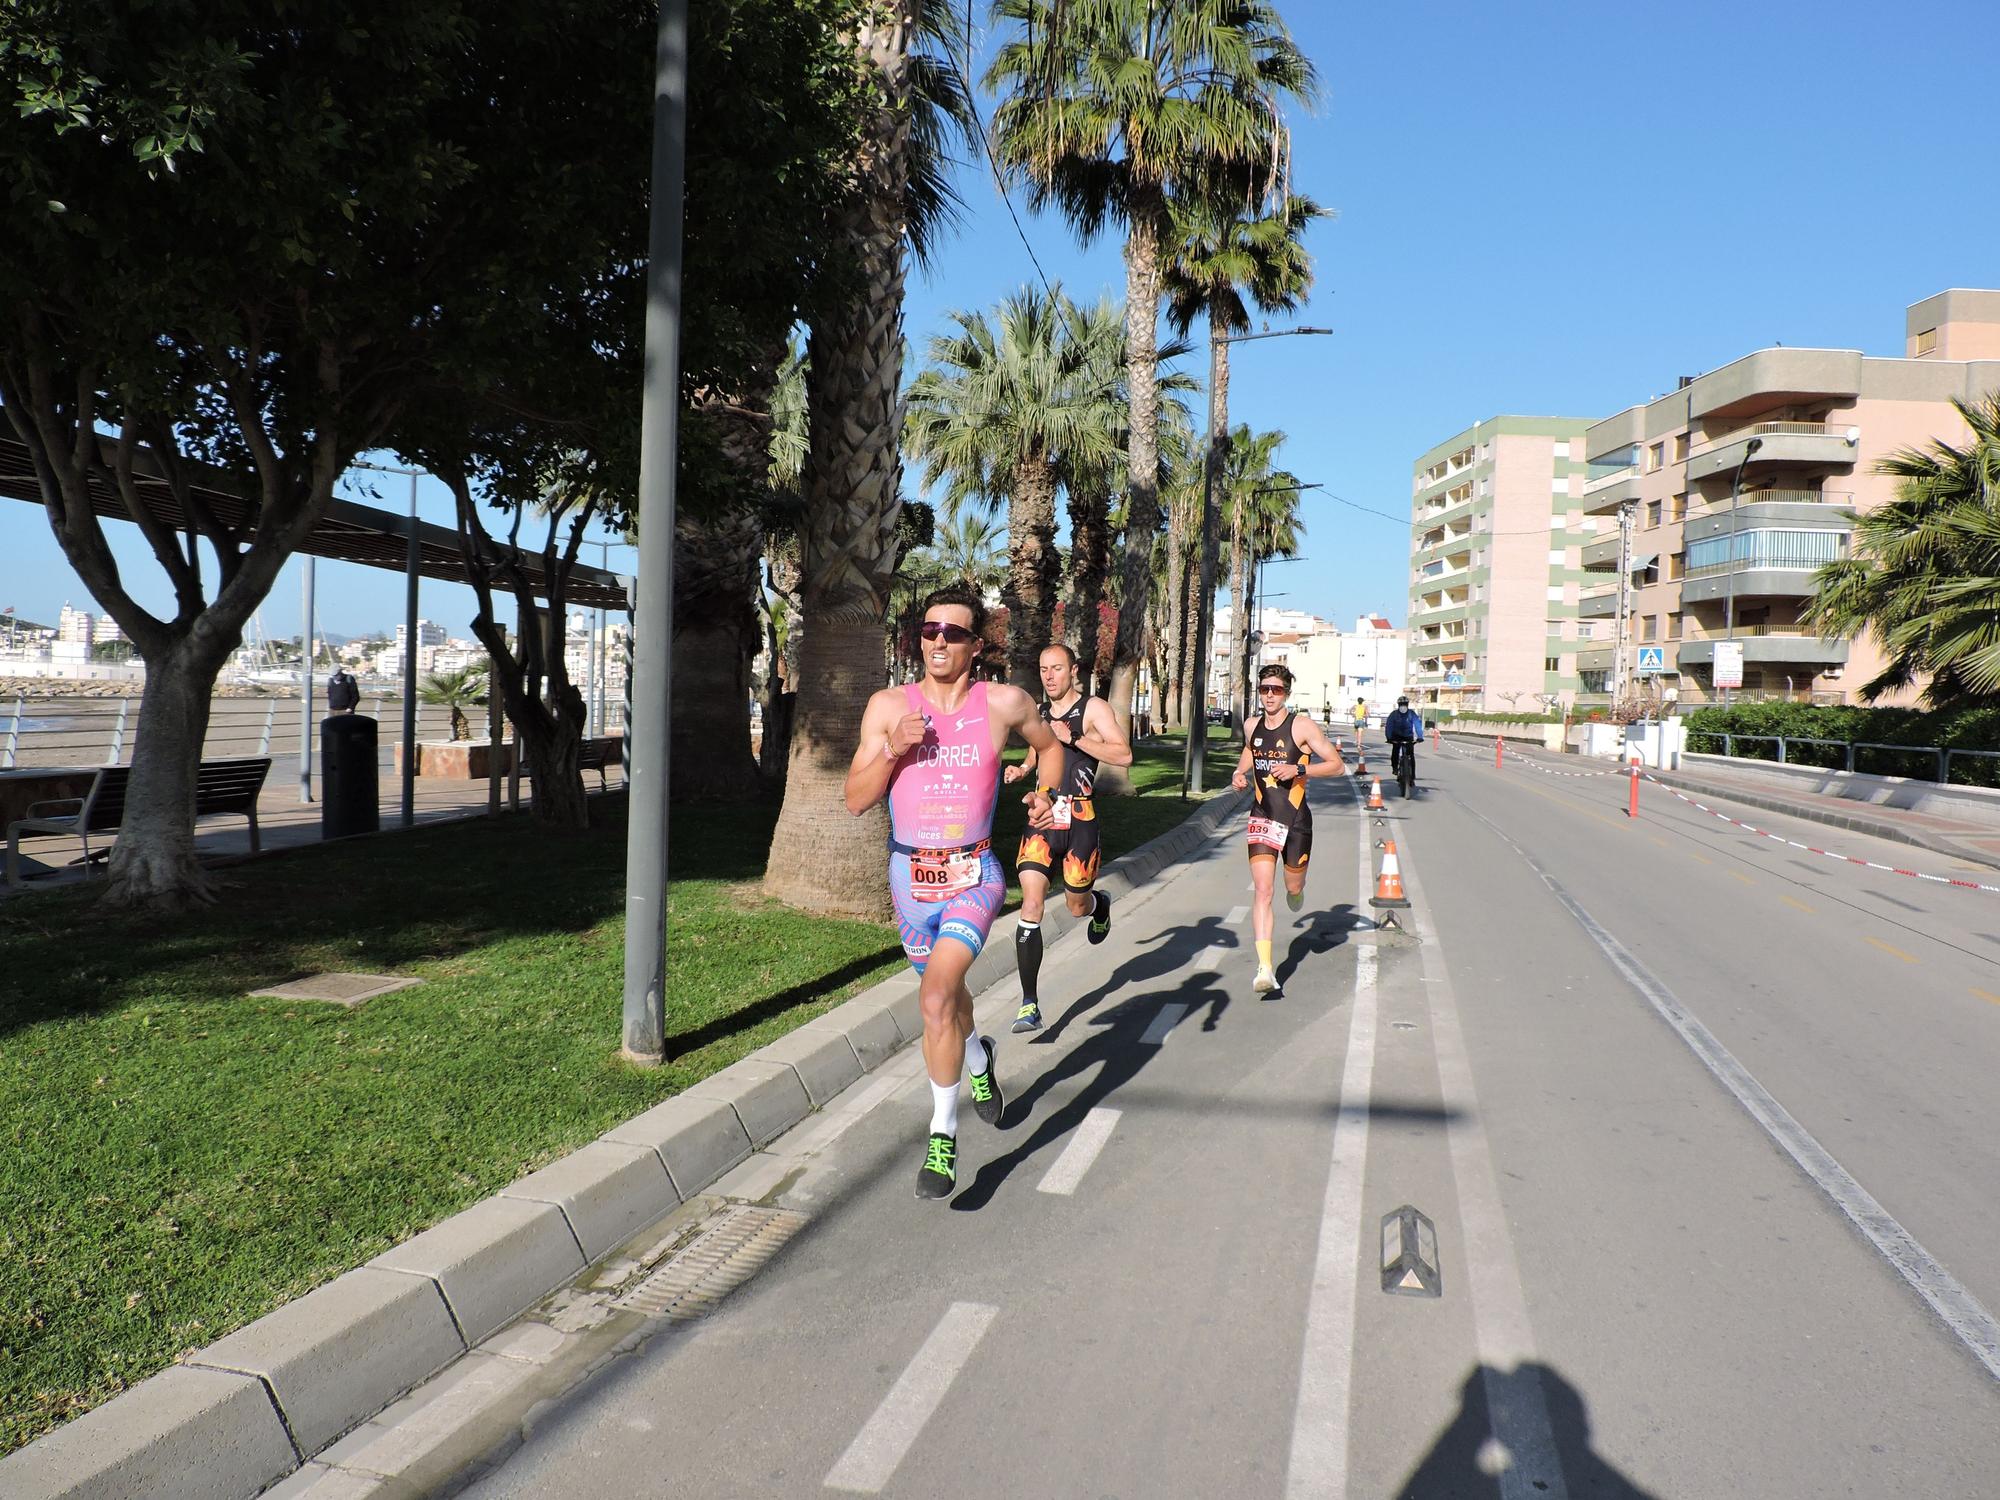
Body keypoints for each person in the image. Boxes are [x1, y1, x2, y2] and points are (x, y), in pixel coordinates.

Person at [844, 587, 1065, 1199]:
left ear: (975, 646)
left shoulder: (1003, 703)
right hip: (908, 883)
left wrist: (1045, 797)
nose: (939, 640)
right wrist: (895, 748)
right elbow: (857, 798)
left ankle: (942, 1136)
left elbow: (1049, 751)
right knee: (949, 1004)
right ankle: (979, 1059)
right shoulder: (889, 707)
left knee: (937, 997)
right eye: (930, 629)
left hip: (973, 874)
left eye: (955, 633)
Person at [1002, 643, 1131, 1033]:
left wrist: (1073, 737)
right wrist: (1022, 769)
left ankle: (1099, 904)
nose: (1049, 676)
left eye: (1056, 668)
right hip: (1041, 816)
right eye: (1043, 669)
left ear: (1073, 670)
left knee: (1076, 906)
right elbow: (1038, 751)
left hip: (1080, 817)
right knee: (1031, 905)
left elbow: (1123, 755)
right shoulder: (1038, 712)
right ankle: (1029, 1004)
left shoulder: (1092, 709)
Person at [1233, 663, 1347, 994]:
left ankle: (1296, 890)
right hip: (1262, 816)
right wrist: (1239, 774)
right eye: (1265, 689)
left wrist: (1298, 768)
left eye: (1277, 690)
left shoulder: (1302, 727)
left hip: (1296, 820)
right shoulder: (1251, 724)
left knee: (1292, 884)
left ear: (1287, 693)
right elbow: (1249, 754)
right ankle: (1265, 969)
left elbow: (1337, 765)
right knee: (1263, 891)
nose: (1270, 695)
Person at [1384, 695, 1425, 791]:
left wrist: (1420, 737)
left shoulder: (1411, 714)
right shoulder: (1394, 714)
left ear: (1407, 705)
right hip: (1396, 736)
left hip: (1408, 737)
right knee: (1395, 751)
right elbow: (1389, 726)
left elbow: (1418, 725)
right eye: (1401, 704)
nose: (1403, 706)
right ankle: (1394, 768)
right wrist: (1389, 738)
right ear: (1398, 705)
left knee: (1411, 755)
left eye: (1405, 704)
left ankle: (1413, 775)